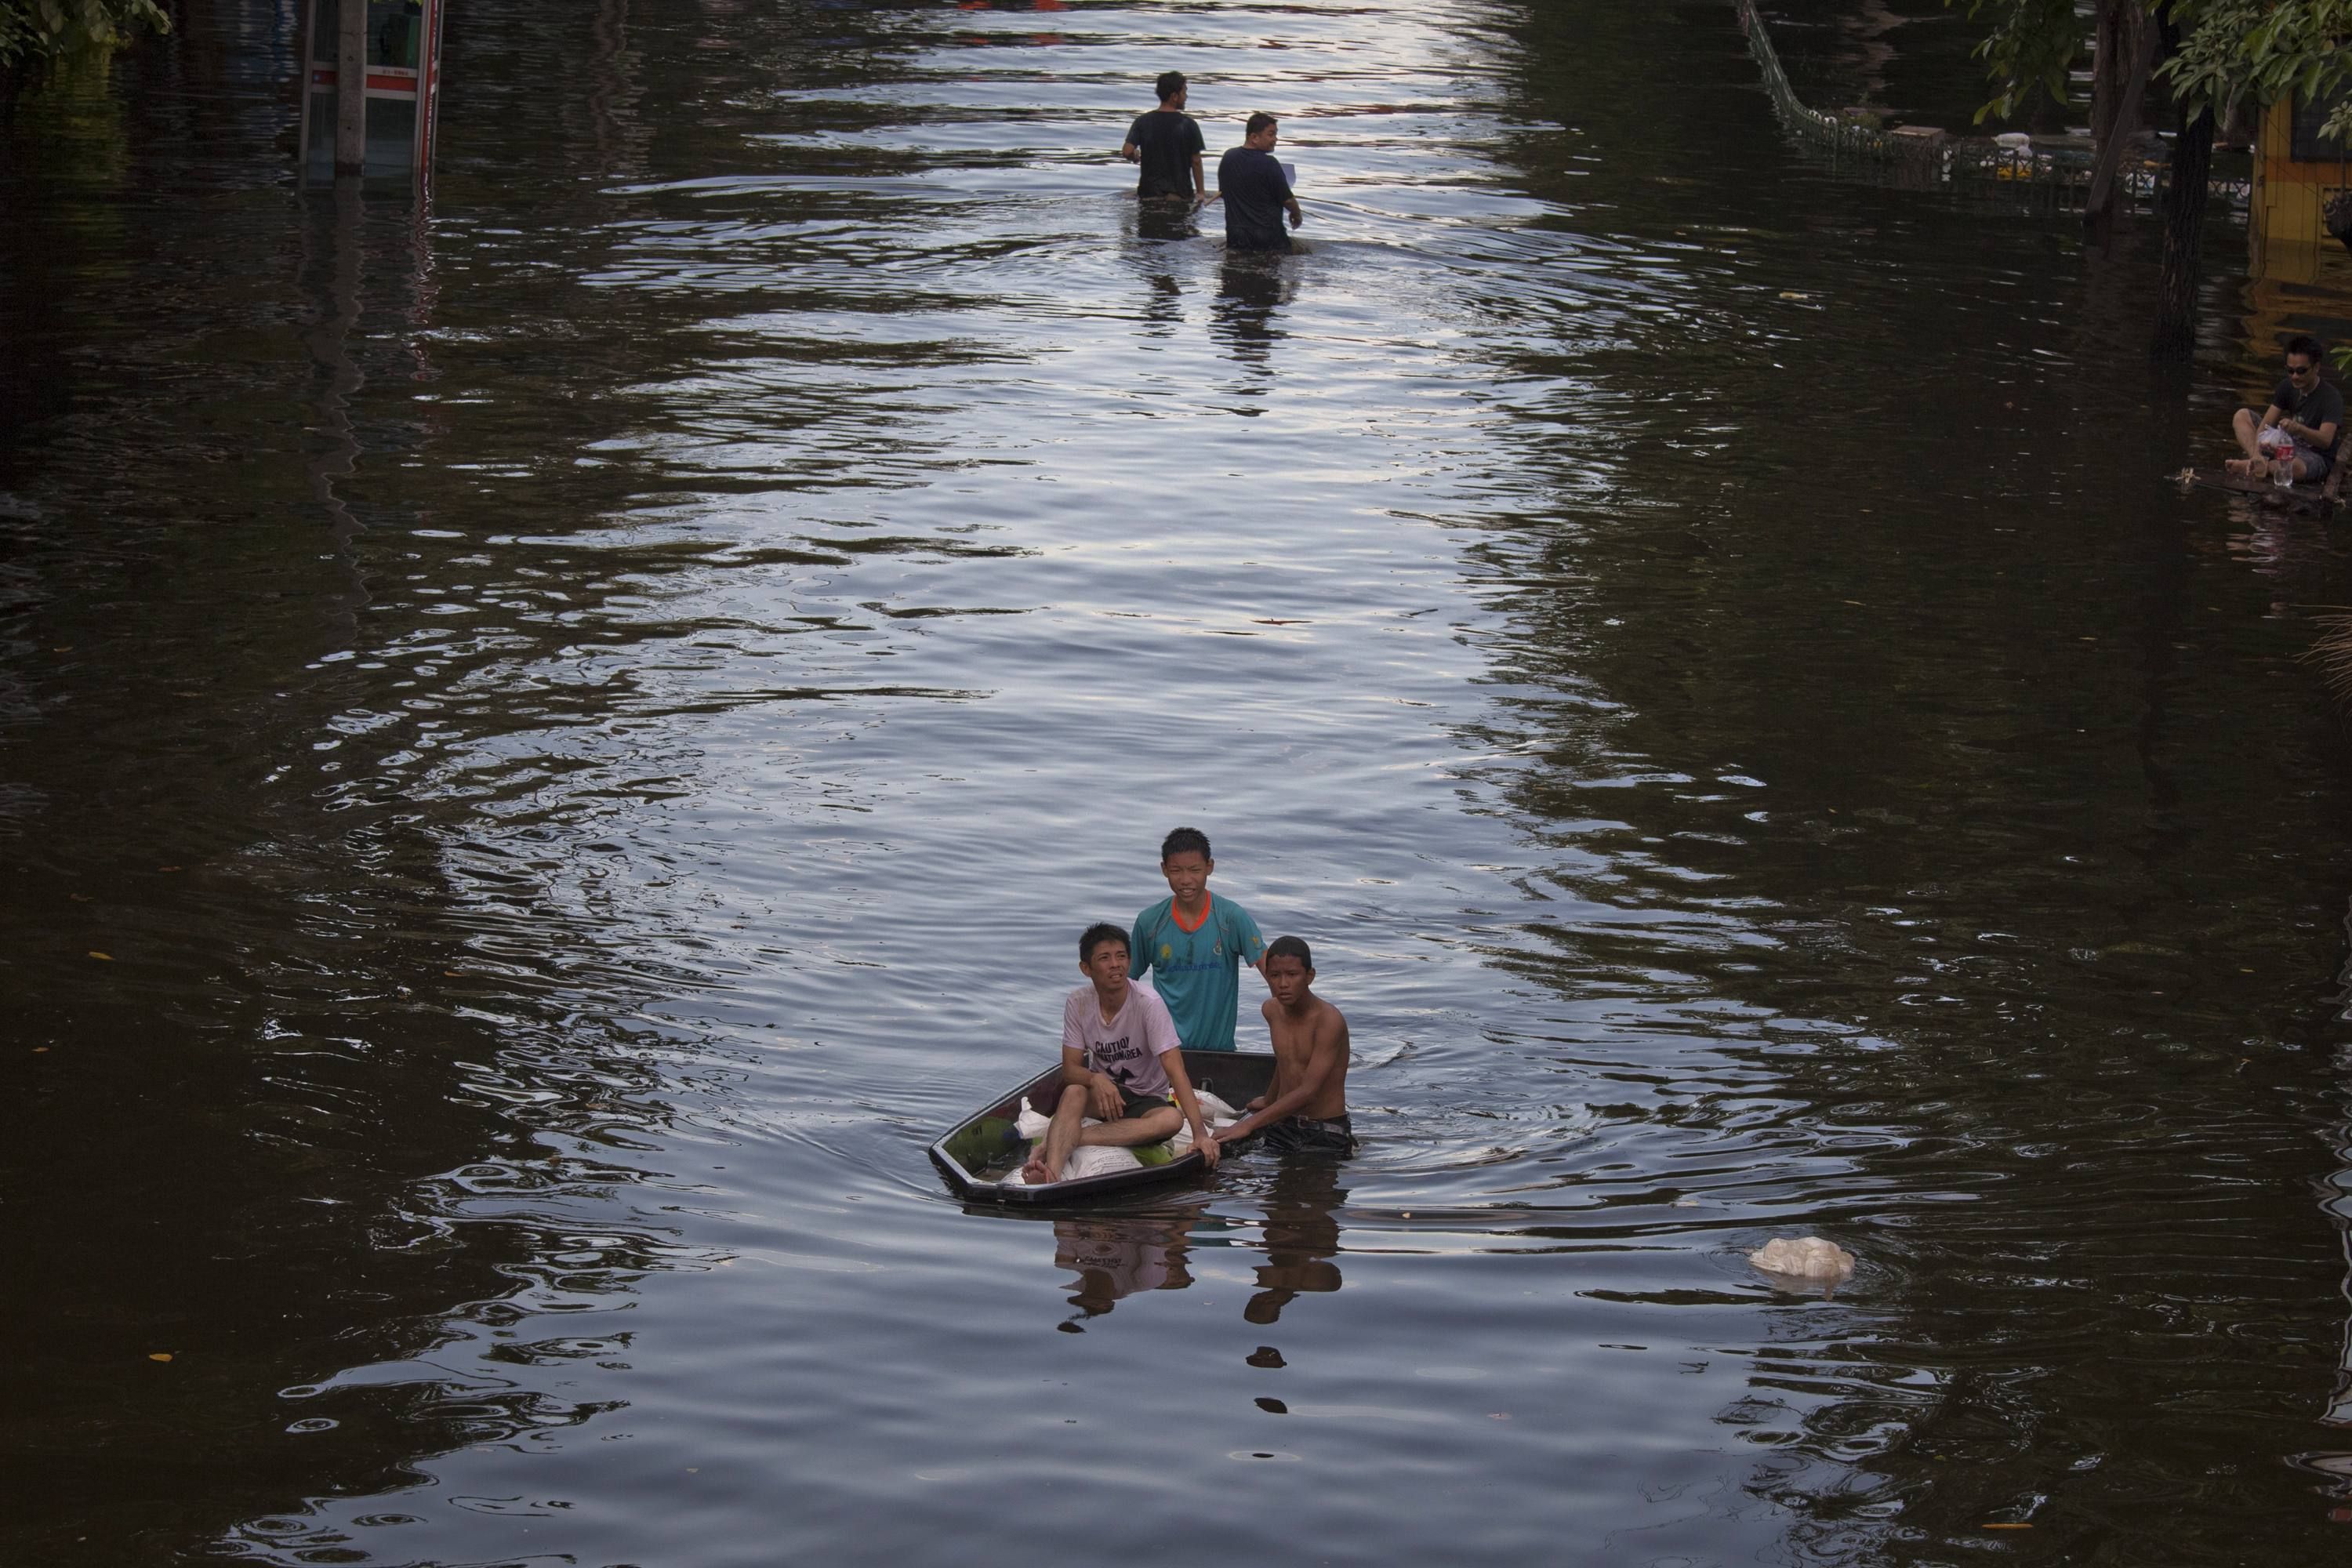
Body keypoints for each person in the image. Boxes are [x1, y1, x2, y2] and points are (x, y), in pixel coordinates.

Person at [1024, 923, 1221, 1185]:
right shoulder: (1078, 1003)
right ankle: (1053, 1174)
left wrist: (1199, 1134)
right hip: (1103, 1096)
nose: (1115, 964)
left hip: (1145, 1100)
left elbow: (1175, 1069)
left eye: (1121, 956)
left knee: (1171, 1119)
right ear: (1086, 969)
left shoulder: (1148, 1003)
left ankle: (1063, 1140)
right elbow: (1071, 1070)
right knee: (1074, 1091)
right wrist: (1096, 1079)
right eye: (1104, 958)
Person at [1131, 826, 1266, 1051]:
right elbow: (1125, 983)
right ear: (1164, 869)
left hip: (1219, 1053)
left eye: (1194, 870)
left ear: (1209, 867)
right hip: (1164, 1051)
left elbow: (1273, 972)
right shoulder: (1149, 922)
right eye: (1176, 871)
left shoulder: (1231, 918)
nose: (1185, 880)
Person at [1216, 935, 1352, 1155]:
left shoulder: (1329, 1021)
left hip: (1325, 1132)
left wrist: (1248, 1124)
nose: (1283, 984)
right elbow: (1286, 1061)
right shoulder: (1271, 1011)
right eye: (1274, 975)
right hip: (1283, 1125)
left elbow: (1309, 1092)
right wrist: (1269, 1100)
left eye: (1292, 975)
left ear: (1310, 976)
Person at [2229, 335, 2343, 485]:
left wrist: (2299, 429)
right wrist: (2257, 453)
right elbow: (2266, 423)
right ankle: (2257, 462)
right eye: (2290, 371)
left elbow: (2325, 440)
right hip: (2288, 445)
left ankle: (2258, 467)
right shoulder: (2286, 386)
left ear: (2316, 367)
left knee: (2295, 468)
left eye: (2301, 371)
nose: (2295, 376)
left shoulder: (2331, 397)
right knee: (2241, 416)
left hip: (2315, 456)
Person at [1214, 112, 1302, 252]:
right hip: (1268, 238)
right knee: (1302, 253)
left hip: (1236, 236)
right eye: (1271, 134)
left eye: (1275, 134)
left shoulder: (1228, 157)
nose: (1275, 139)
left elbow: (1225, 193)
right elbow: (1288, 200)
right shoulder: (1270, 164)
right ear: (1254, 137)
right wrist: (1297, 214)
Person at [1121, 71, 1206, 206]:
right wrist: (1201, 193)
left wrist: (1134, 156)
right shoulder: (1188, 125)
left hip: (1149, 195)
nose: (1186, 97)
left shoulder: (1143, 121)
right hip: (1179, 196)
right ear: (1174, 96)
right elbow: (1196, 161)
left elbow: (1127, 151)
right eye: (1184, 92)